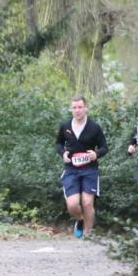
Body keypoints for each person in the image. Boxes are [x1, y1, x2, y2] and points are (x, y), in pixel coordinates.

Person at [55, 96, 108, 238]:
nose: (77, 110)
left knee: (87, 202)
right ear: (71, 109)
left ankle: (88, 234)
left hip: (89, 169)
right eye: (74, 107)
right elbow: (58, 143)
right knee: (72, 205)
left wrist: (96, 154)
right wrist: (63, 153)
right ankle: (80, 220)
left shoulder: (94, 127)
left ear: (86, 108)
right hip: (71, 169)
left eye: (80, 107)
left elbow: (104, 147)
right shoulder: (65, 126)